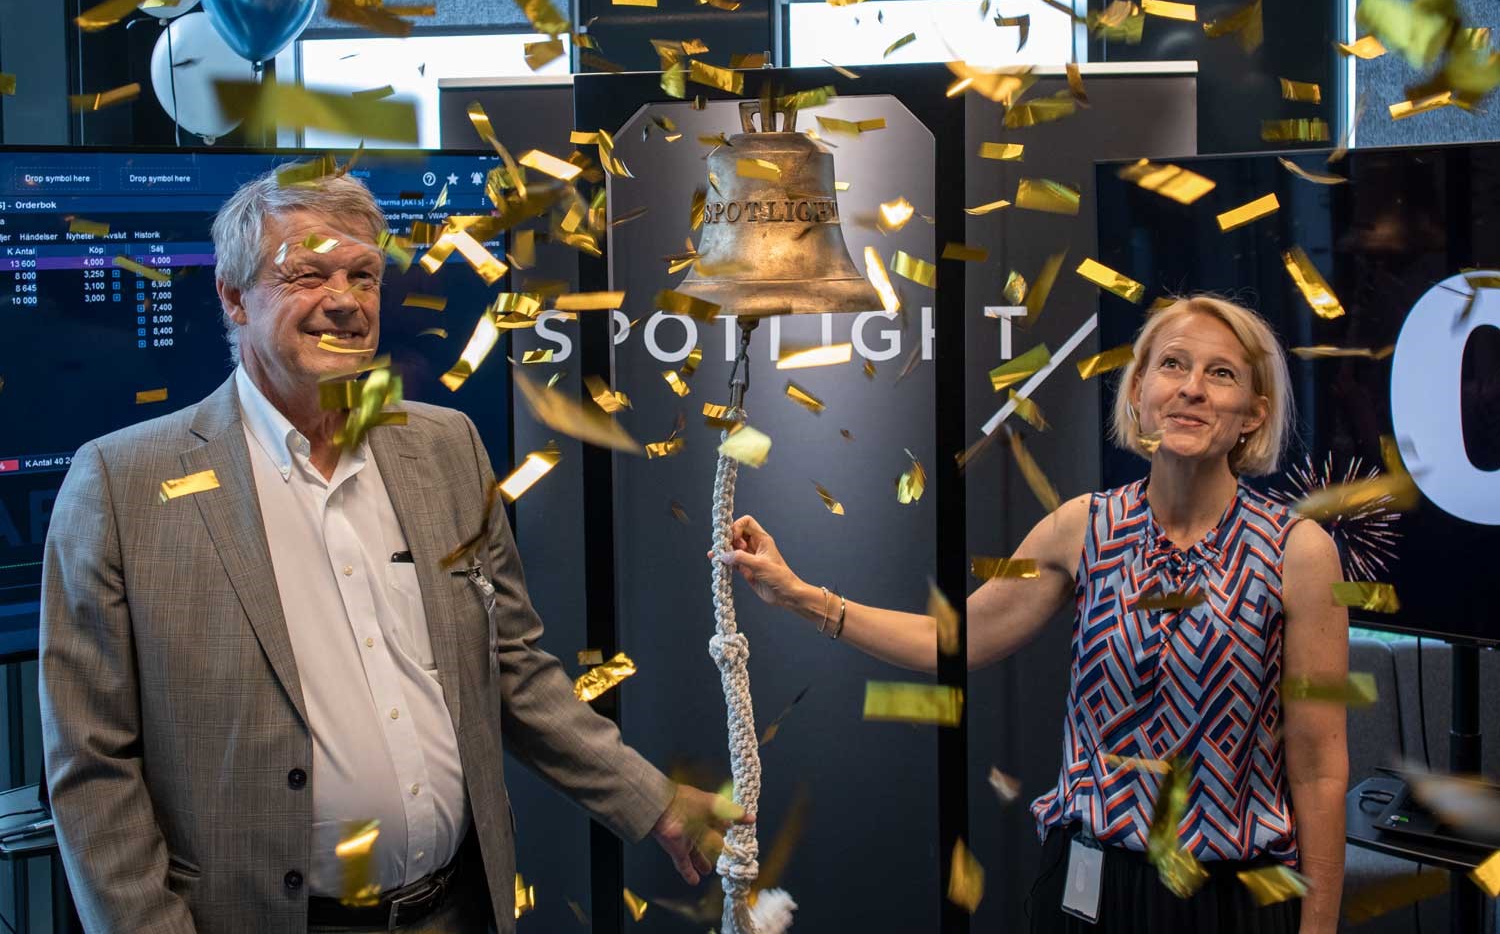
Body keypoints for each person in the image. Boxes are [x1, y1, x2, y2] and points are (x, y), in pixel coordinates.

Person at [40, 169, 742, 934]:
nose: (343, 300)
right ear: (234, 297)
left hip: (457, 909)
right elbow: (93, 767)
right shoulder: (122, 482)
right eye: (306, 273)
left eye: (363, 275)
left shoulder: (446, 447)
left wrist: (654, 800)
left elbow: (512, 671)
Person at [719, 295, 1348, 934]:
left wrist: (1319, 928)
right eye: (1172, 365)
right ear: (1138, 390)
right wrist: (799, 594)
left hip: (1230, 901)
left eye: (1221, 374)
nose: (1191, 389)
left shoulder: (1298, 553)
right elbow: (951, 641)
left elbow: (1321, 769)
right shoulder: (1083, 528)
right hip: (1089, 889)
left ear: (1254, 413)